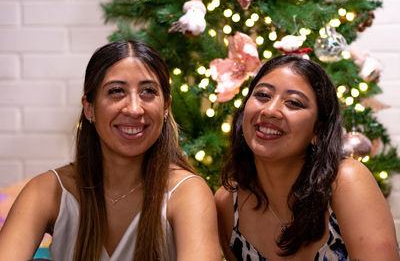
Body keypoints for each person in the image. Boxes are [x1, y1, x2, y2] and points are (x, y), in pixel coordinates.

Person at [0, 39, 221, 261]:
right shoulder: (47, 190)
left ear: (165, 107)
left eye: (148, 91)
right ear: (89, 108)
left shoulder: (187, 192)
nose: (134, 109)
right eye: (116, 91)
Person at [215, 54, 400, 261]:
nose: (270, 110)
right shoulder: (226, 203)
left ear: (317, 131)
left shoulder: (346, 181)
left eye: (293, 103)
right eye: (263, 95)